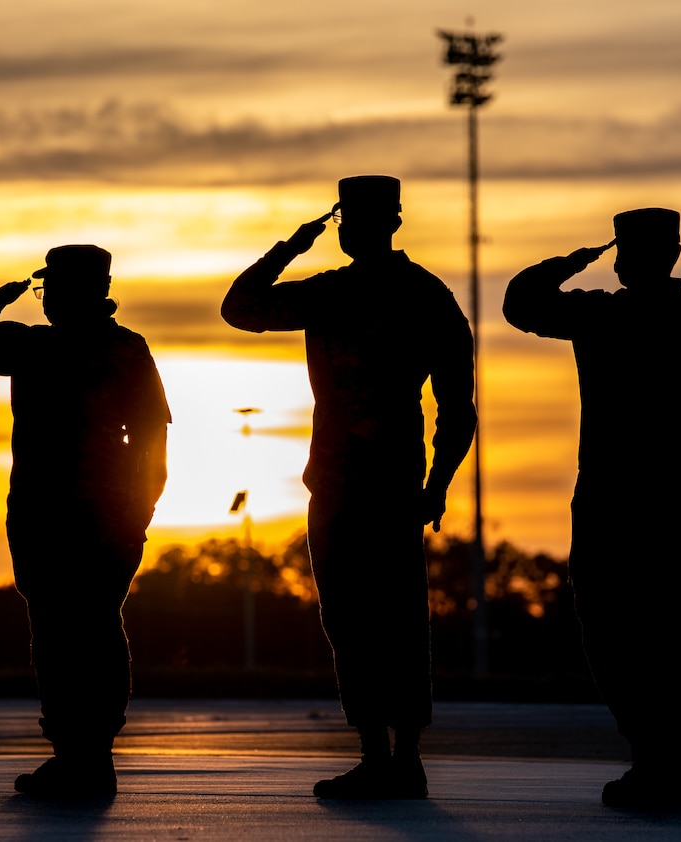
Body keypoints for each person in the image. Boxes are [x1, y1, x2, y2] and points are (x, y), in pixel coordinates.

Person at [221, 175, 477, 799]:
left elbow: (457, 407)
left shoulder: (409, 296)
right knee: (355, 621)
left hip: (382, 484)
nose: (352, 233)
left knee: (389, 620)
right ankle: (378, 754)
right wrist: (292, 246)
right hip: (345, 483)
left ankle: (402, 757)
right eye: (348, 223)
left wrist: (437, 485)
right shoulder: (379, 294)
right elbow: (239, 311)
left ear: (390, 223)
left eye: (360, 222)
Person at [502, 208, 681, 809]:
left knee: (637, 634)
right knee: (638, 633)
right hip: (650, 498)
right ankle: (659, 762)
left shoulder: (607, 314)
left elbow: (523, 300)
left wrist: (576, 257)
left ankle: (663, 763)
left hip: (635, 497)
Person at [0, 245, 171, 798]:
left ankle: (87, 755)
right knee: (72, 629)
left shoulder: (70, 348)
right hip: (65, 514)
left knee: (75, 631)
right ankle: (80, 754)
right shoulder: (58, 346)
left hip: (82, 515)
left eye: (53, 290)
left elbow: (151, 441)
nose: (48, 301)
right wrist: (140, 511)